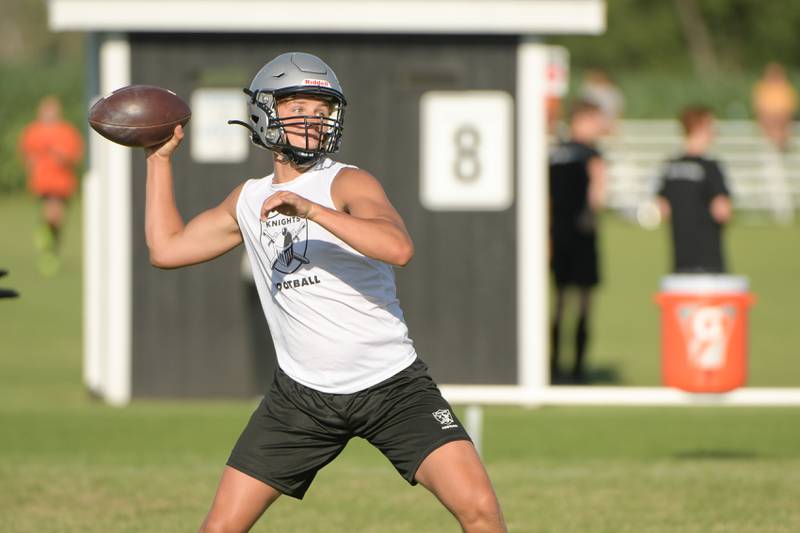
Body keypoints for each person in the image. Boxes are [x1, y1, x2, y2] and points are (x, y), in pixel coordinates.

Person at [144, 52, 506, 532]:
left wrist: (312, 211)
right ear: (264, 113)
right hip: (301, 398)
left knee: (480, 510)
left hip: (392, 386)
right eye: (299, 109)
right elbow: (166, 249)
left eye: (322, 111)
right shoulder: (248, 199)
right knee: (219, 528)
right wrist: (158, 159)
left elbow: (398, 247)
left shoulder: (347, 181)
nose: (313, 121)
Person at [548, 100, 608, 384]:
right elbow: (598, 196)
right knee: (583, 303)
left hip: (558, 235)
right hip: (583, 234)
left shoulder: (556, 152)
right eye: (595, 120)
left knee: (559, 303)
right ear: (581, 119)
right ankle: (578, 370)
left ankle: (553, 366)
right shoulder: (592, 154)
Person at [656, 105, 732, 274]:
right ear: (699, 127)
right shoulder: (710, 167)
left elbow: (663, 209)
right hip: (709, 256)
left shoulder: (671, 166)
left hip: (680, 255)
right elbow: (722, 210)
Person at [19, 96, 84, 275]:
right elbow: (27, 154)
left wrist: (62, 157)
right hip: (43, 181)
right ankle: (47, 245)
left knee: (58, 219)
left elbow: (75, 155)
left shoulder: (67, 131)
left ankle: (49, 245)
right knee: (53, 213)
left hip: (62, 181)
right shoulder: (33, 131)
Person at [752, 62, 797, 151]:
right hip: (768, 123)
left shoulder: (787, 88)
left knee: (781, 129)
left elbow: (790, 110)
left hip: (782, 122)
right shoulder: (762, 88)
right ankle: (776, 144)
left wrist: (779, 119)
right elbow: (759, 109)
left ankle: (779, 144)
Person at [579, 68, 625, 134]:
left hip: (607, 124)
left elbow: (619, 111)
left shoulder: (613, 92)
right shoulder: (588, 89)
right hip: (592, 124)